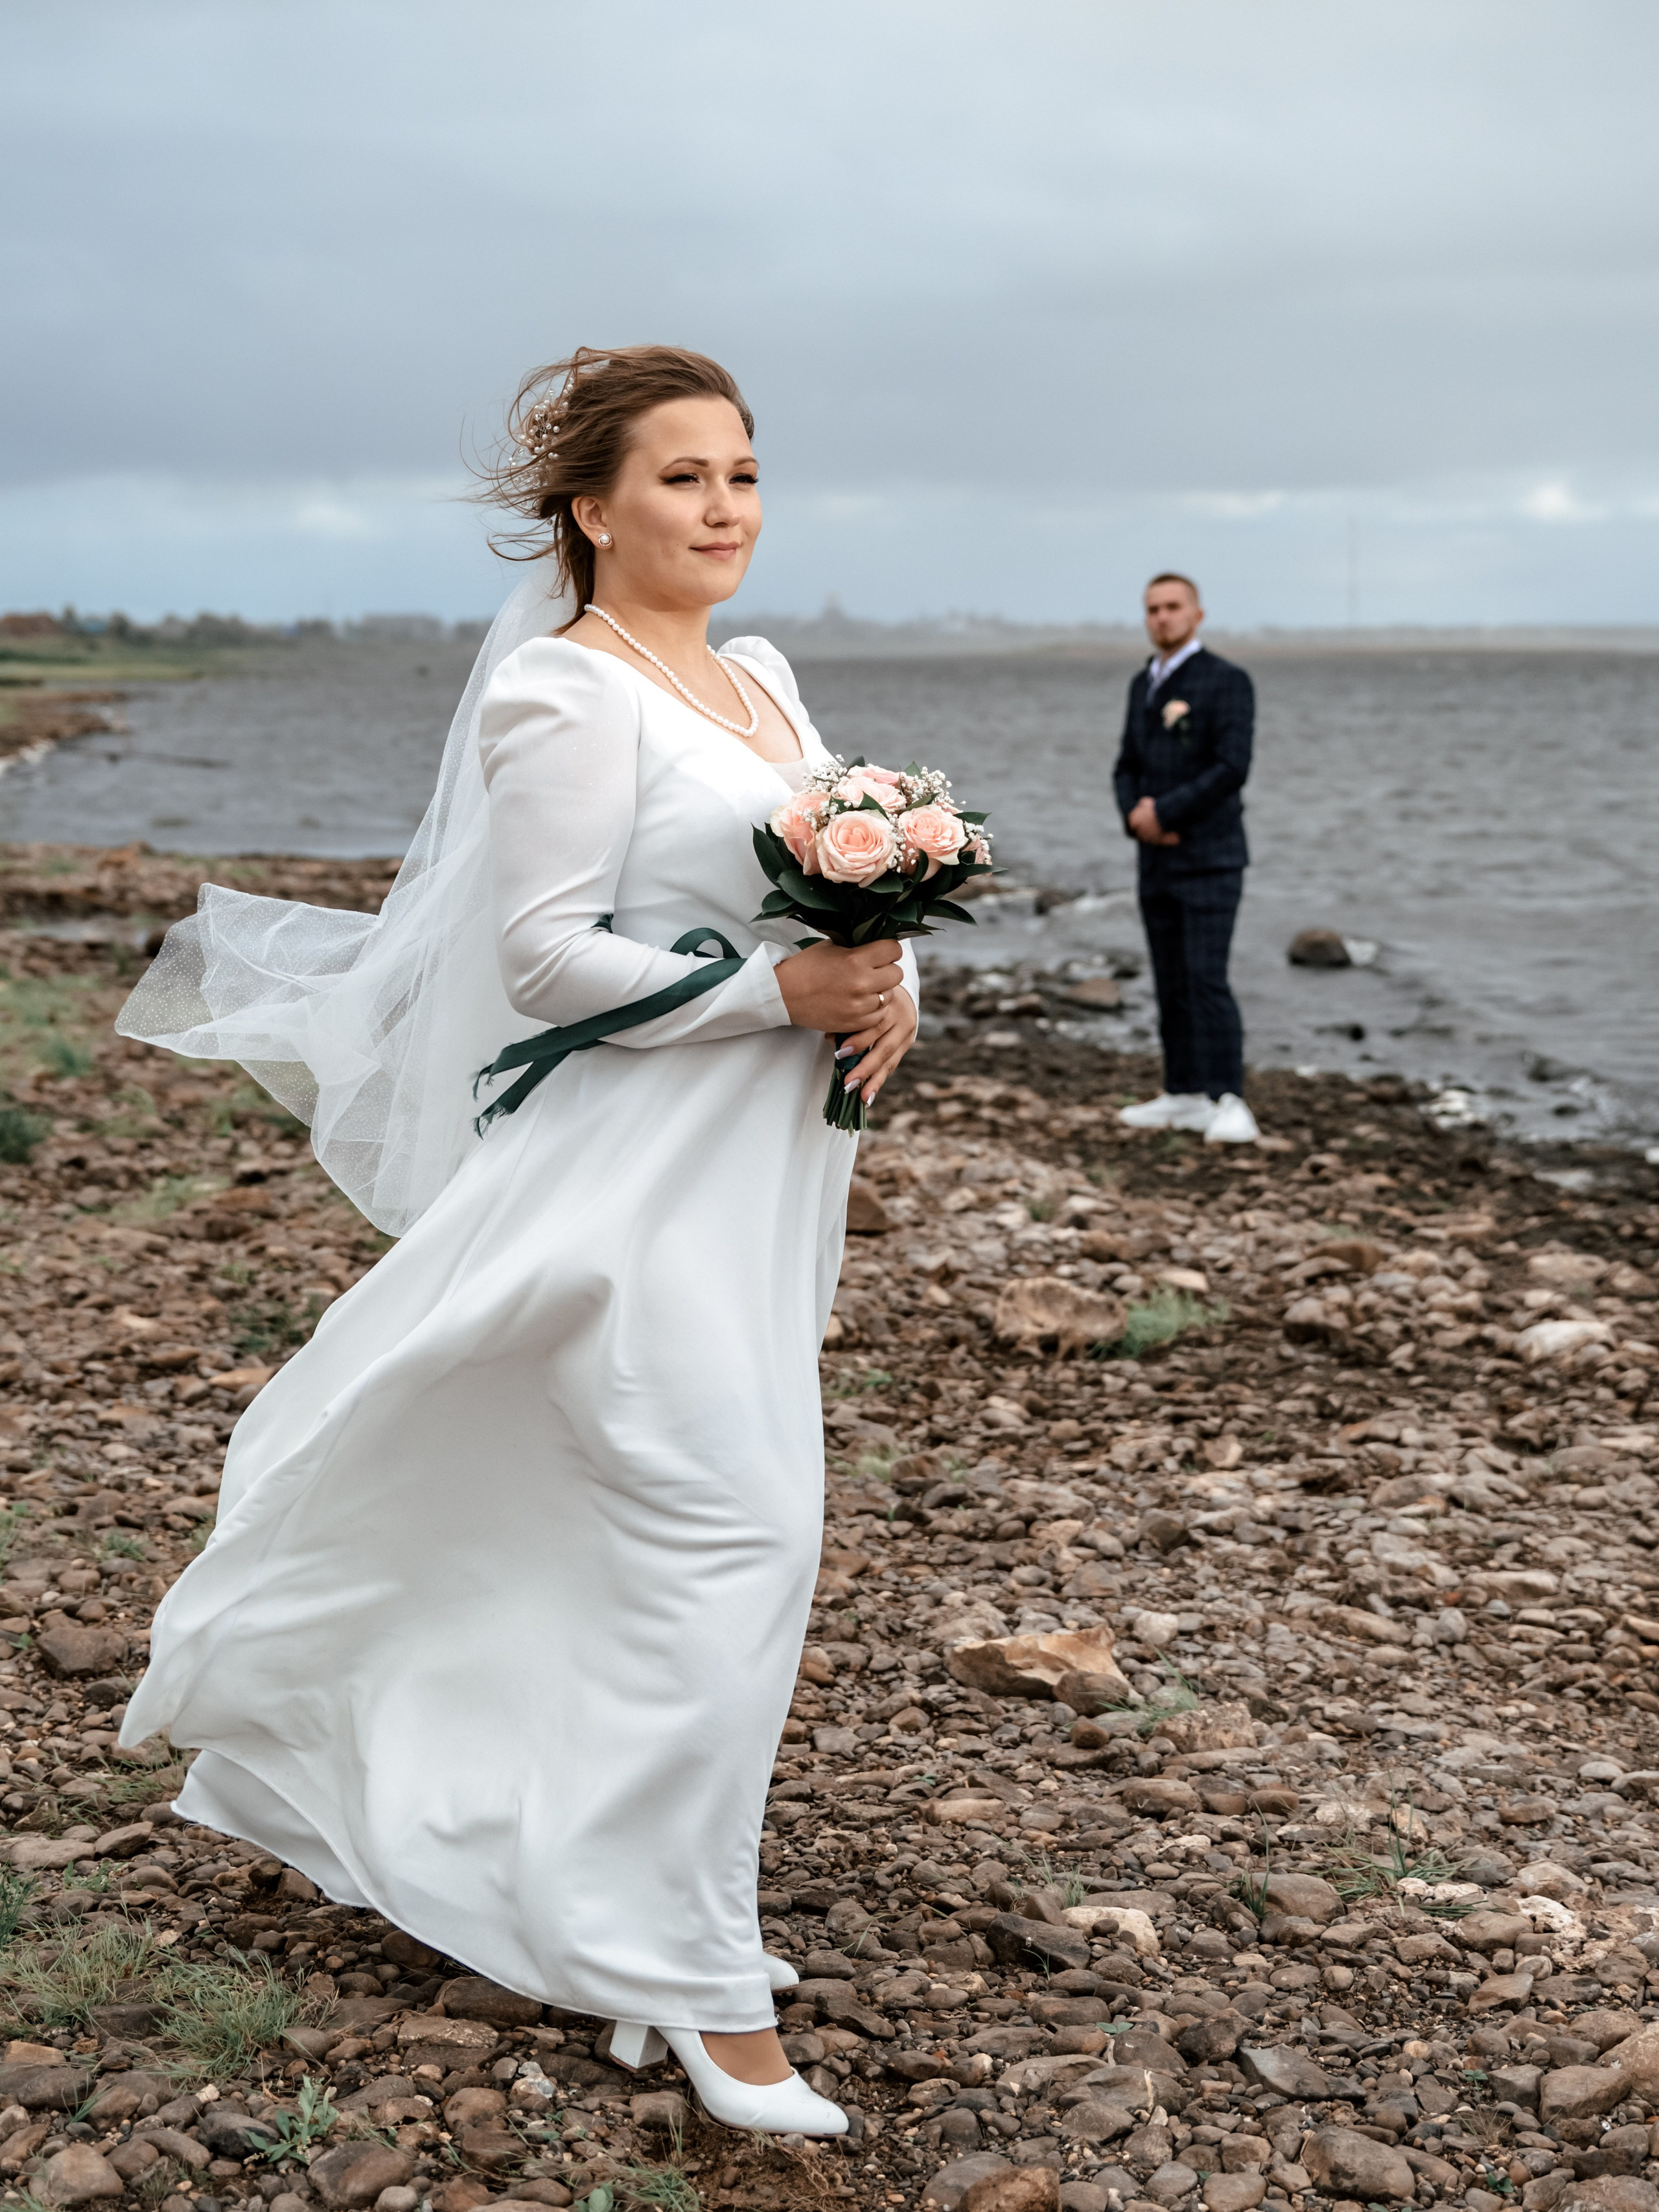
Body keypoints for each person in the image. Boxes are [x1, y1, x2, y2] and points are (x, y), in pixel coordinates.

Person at [112, 345, 921, 2136]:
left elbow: (830, 878)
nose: (726, 509)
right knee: (737, 1534)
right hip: (631, 1181)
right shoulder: (560, 695)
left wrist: (888, 977)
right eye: (685, 479)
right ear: (590, 508)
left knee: (709, 1546)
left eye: (744, 474)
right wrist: (775, 987)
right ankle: (704, 1987)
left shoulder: (762, 673)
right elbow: (551, 956)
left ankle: (623, 1909)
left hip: (767, 1174)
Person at [1111, 571, 1259, 1143]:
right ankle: (1183, 1092)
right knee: (1169, 979)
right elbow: (1126, 765)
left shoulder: (1228, 680)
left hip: (1211, 858)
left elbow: (1232, 767)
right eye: (1153, 608)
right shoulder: (1141, 684)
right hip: (1155, 860)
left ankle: (1230, 1098)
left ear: (1197, 614)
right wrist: (1136, 818)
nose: (1162, 617)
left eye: (1173, 607)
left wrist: (1165, 814)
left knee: (1206, 979)